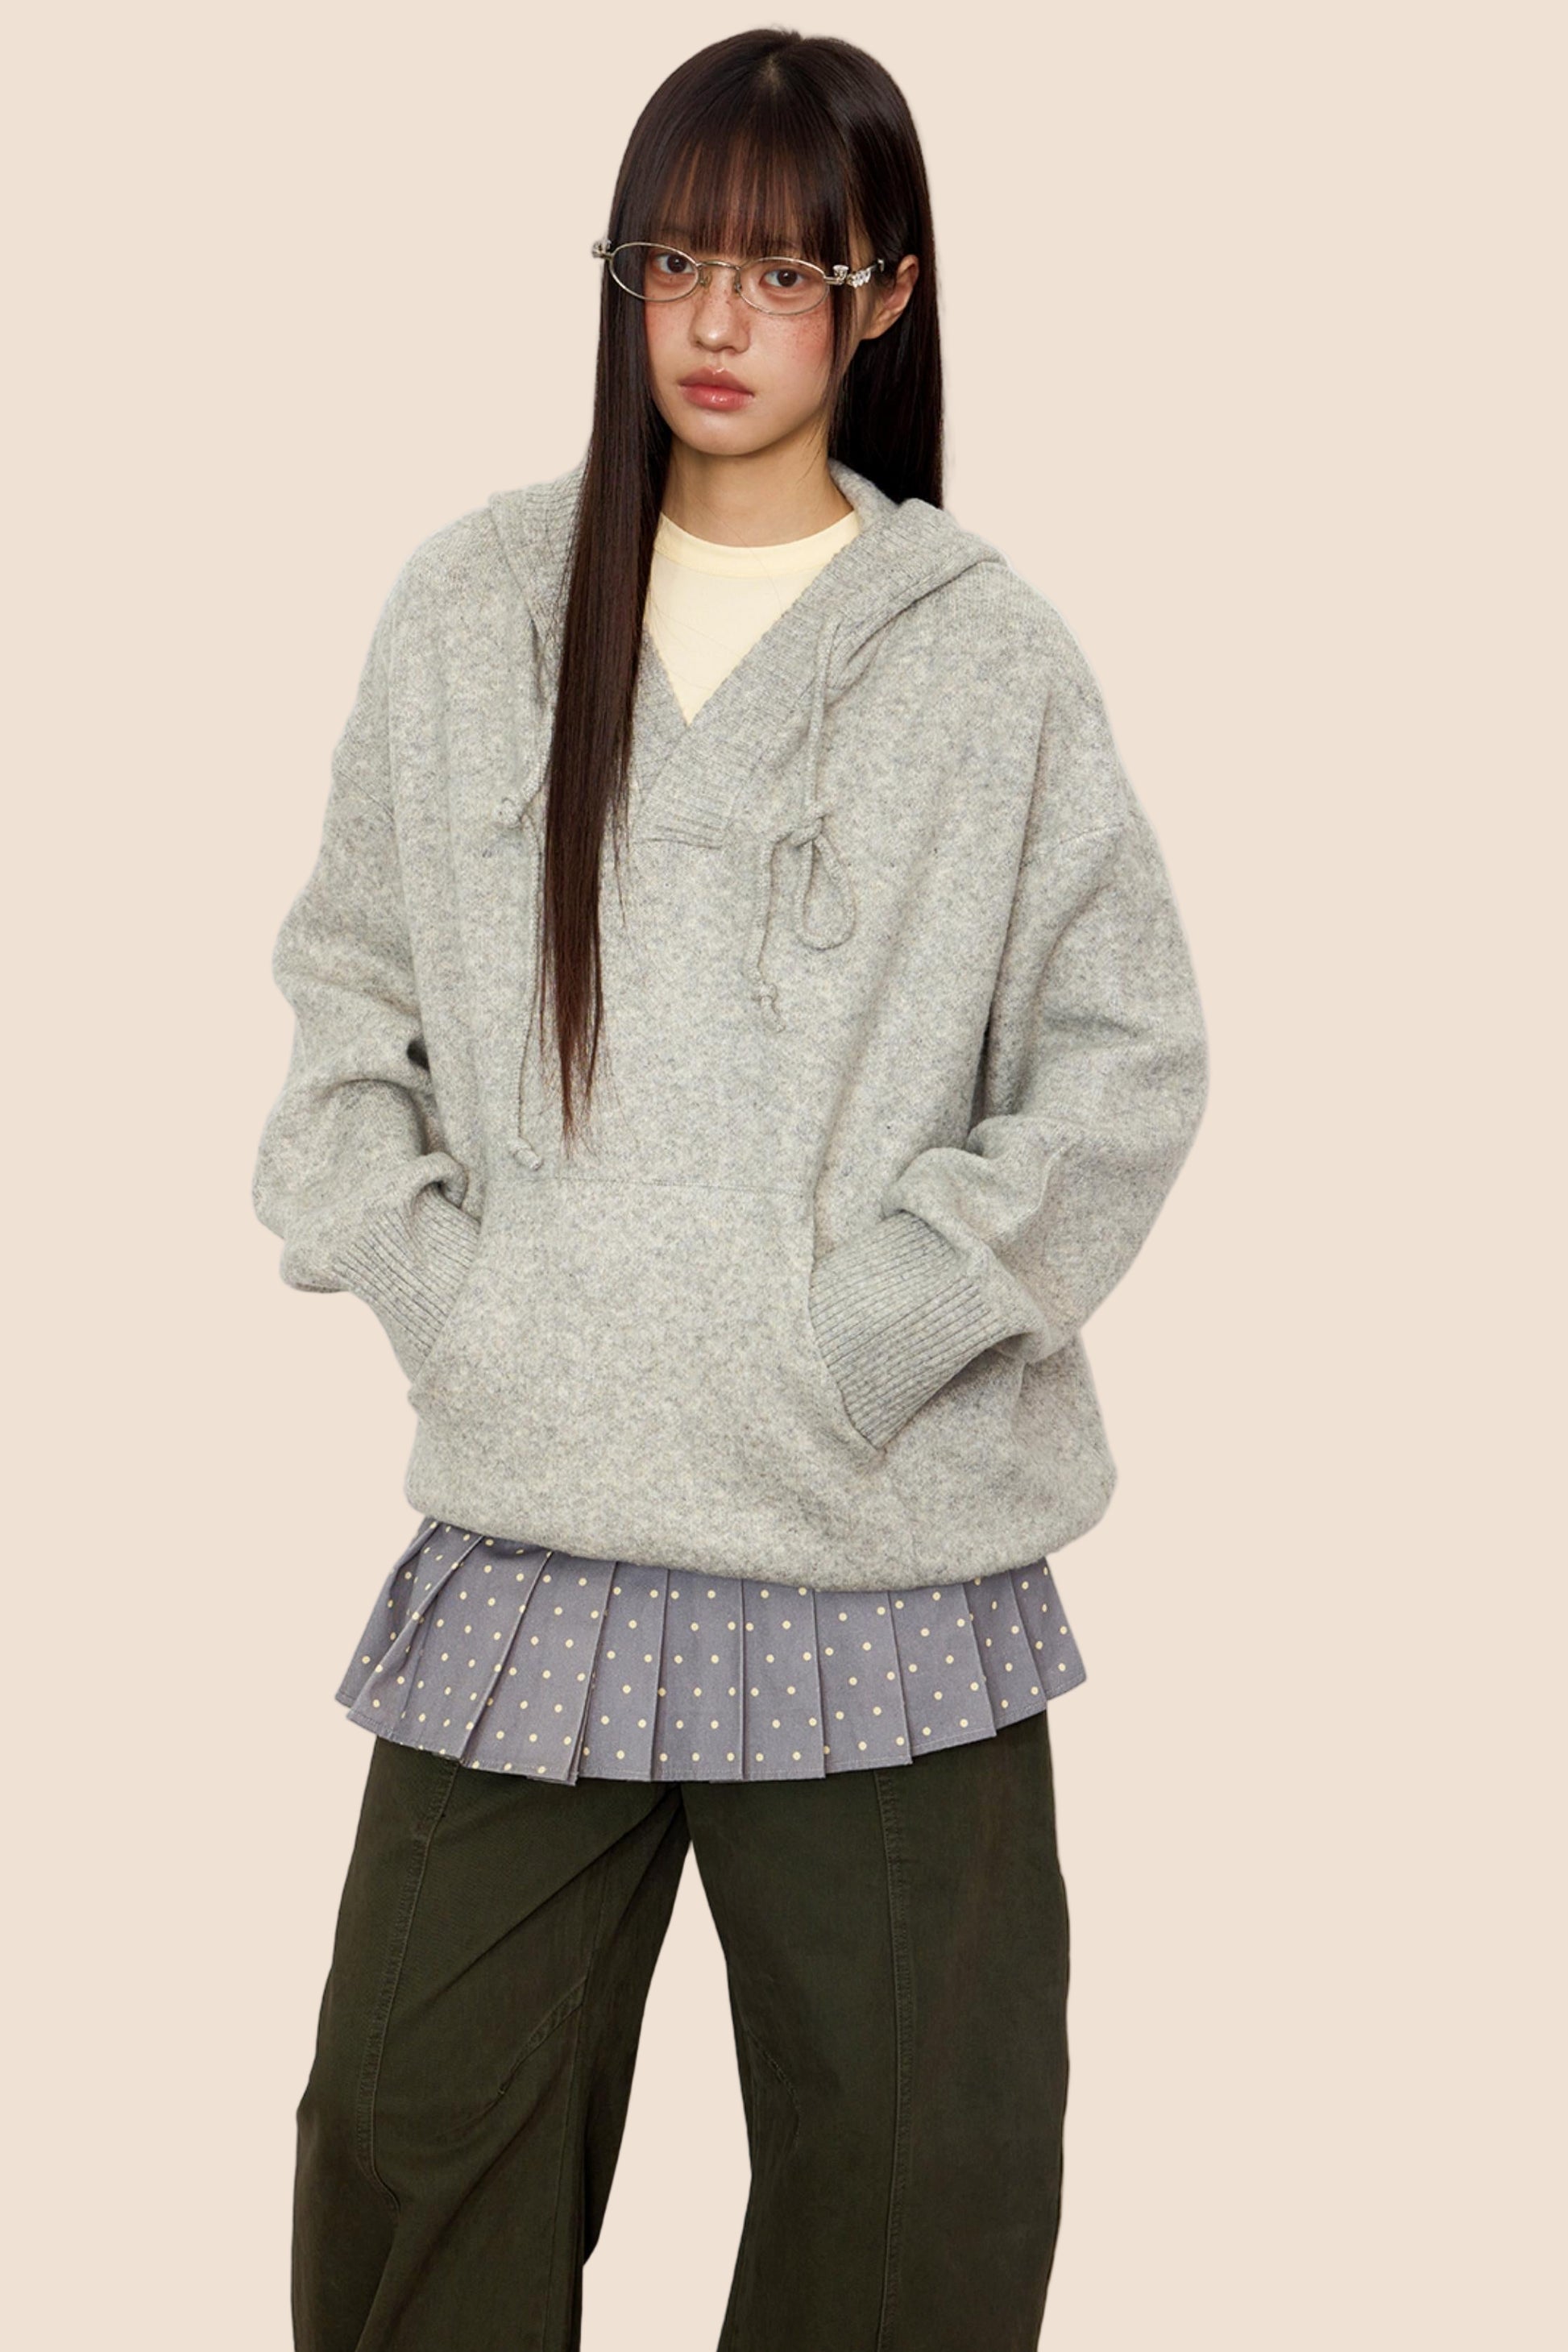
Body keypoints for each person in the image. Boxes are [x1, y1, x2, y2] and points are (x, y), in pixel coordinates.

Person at [254, 26, 1209, 2352]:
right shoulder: (481, 605)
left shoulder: (984, 659)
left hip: (879, 1545)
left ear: (885, 297)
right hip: (534, 1532)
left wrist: (868, 1335)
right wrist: (458, 1298)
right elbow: (344, 997)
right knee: (409, 2152)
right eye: (672, 262)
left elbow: (1124, 1065)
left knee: (912, 2209)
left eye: (784, 274)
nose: (715, 323)